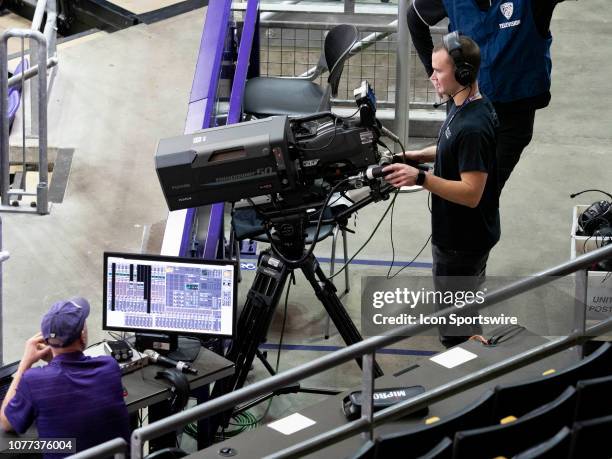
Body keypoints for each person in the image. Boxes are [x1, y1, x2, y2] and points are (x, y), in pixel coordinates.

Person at [384, 33, 499, 348]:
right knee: (464, 313)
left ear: (462, 74)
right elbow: (451, 146)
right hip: (460, 237)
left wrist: (419, 178)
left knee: (456, 331)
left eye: (439, 71)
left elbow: (471, 192)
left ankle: (464, 382)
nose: (432, 76)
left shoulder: (474, 127)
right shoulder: (463, 104)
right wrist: (418, 157)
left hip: (462, 243)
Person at [407, 0, 564, 192]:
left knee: (481, 194)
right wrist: (433, 71)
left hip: (514, 112)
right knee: (453, 187)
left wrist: (420, 178)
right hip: (465, 107)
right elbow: (414, 18)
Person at [0, 297, 130, 457]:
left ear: (47, 340)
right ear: (82, 337)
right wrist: (55, 362)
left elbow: (6, 423)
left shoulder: (34, 381)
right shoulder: (109, 367)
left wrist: (25, 364)